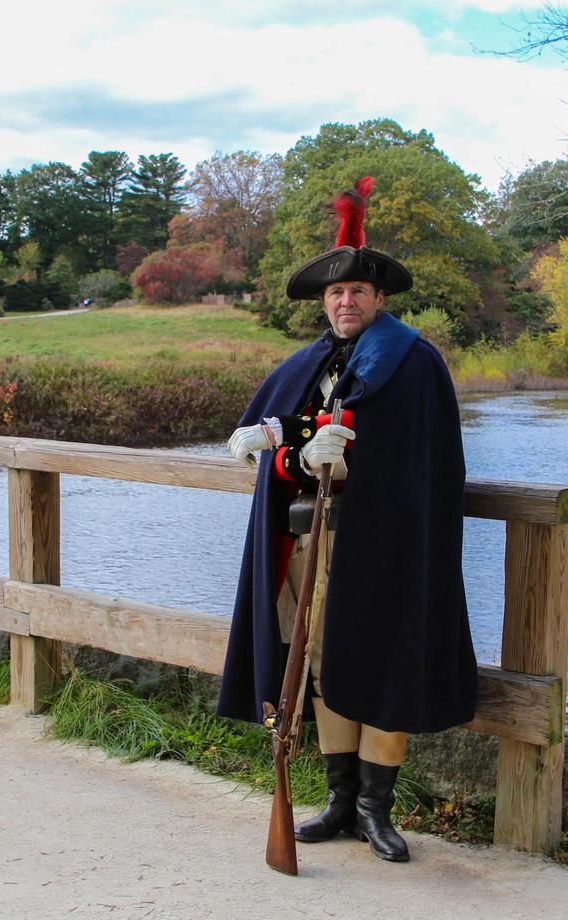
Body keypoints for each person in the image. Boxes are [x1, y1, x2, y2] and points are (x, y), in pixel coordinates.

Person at [215, 177, 478, 863]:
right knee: (322, 665)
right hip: (310, 546)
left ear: (379, 298)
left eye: (358, 291)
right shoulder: (309, 365)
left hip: (387, 547)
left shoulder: (412, 363)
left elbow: (402, 453)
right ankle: (337, 800)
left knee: (386, 661)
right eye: (335, 293)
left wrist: (327, 449)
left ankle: (375, 807)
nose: (345, 301)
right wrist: (284, 446)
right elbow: (292, 448)